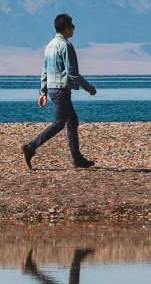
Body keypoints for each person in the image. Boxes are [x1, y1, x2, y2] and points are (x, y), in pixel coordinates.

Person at [22, 13, 98, 169]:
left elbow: (44, 71)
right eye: (73, 27)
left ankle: (77, 158)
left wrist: (43, 92)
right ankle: (30, 147)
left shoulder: (49, 46)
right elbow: (71, 71)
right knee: (59, 123)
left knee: (72, 120)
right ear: (67, 28)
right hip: (61, 89)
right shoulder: (65, 46)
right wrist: (87, 87)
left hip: (53, 89)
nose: (74, 30)